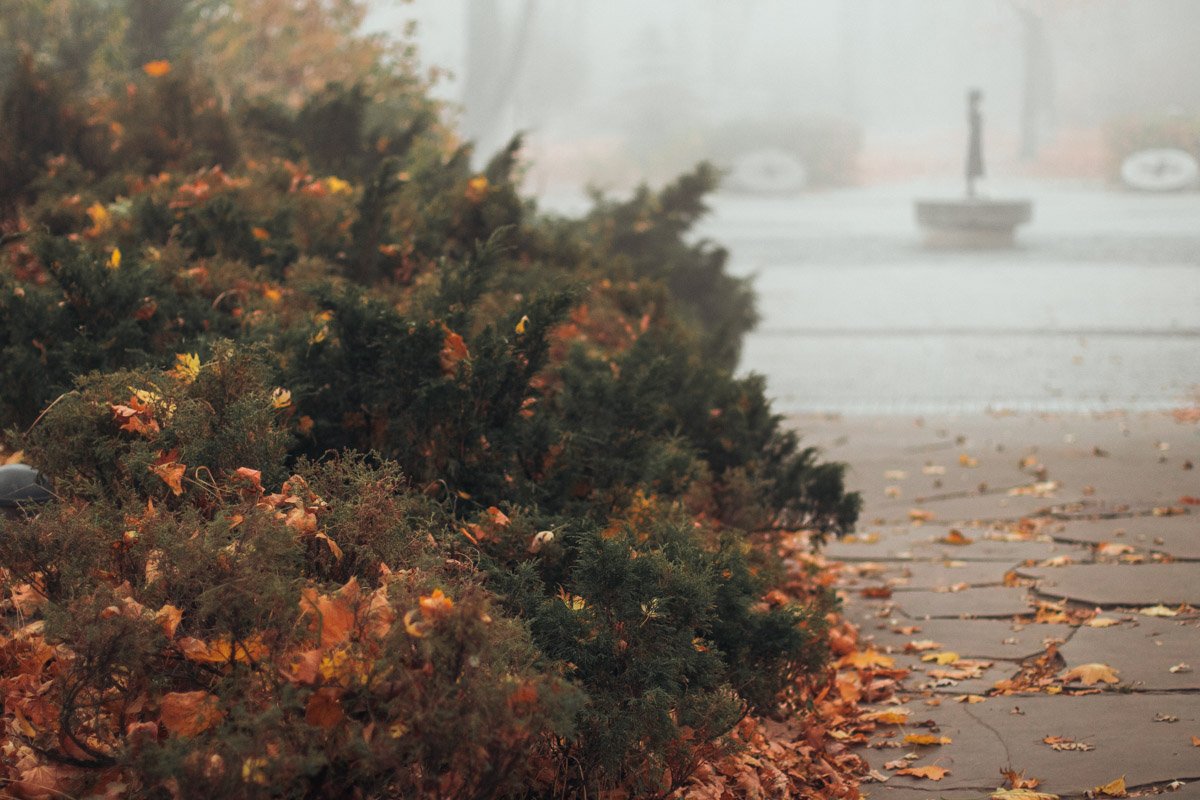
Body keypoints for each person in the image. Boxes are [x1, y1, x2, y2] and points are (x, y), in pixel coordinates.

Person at [966, 88, 985, 198]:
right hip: (974, 140)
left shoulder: (973, 111)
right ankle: (971, 187)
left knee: (973, 162)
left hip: (975, 140)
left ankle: (972, 187)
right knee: (972, 162)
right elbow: (975, 125)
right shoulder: (972, 111)